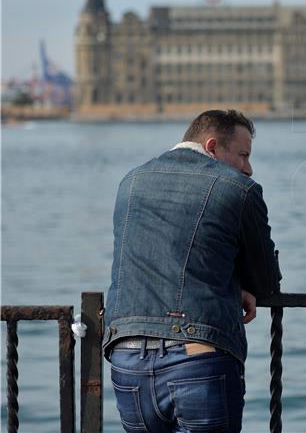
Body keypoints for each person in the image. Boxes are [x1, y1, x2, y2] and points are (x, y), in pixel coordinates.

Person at [103, 109, 281, 432]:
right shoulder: (239, 190)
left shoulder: (130, 182)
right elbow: (267, 281)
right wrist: (238, 283)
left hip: (127, 358)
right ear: (212, 146)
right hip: (197, 357)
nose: (248, 167)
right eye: (242, 155)